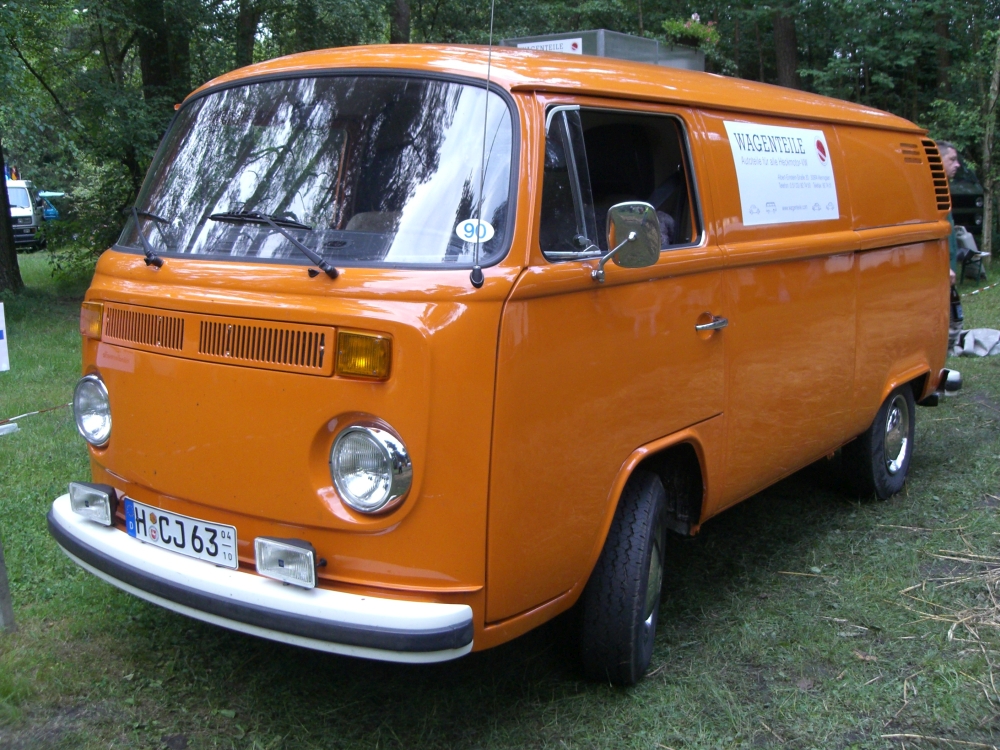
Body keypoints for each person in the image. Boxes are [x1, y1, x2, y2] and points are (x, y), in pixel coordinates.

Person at [937, 140, 964, 393]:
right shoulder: (932, 191)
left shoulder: (944, 189)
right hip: (937, 272)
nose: (957, 165)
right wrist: (943, 266)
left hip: (949, 270)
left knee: (950, 319)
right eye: (952, 160)